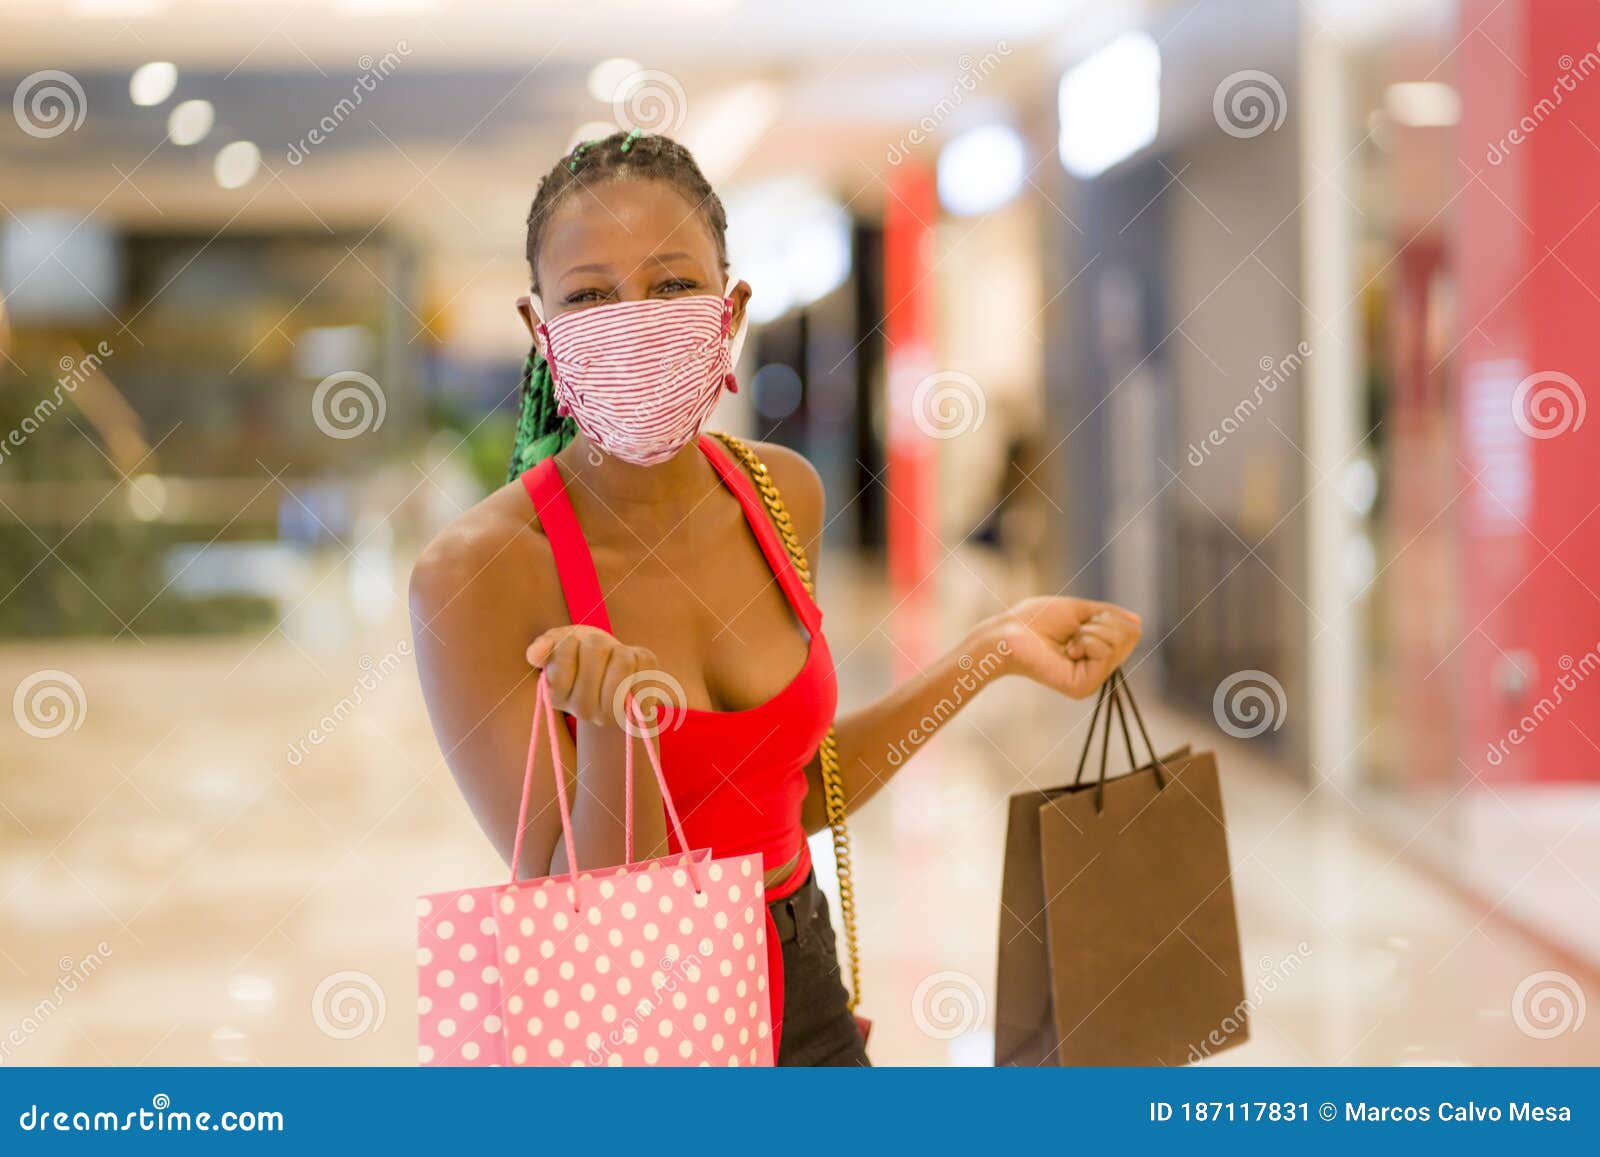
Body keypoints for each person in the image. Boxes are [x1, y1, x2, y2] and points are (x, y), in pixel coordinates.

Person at [408, 129, 1142, 1066]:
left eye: (672, 285)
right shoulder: (476, 570)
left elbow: (791, 791)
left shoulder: (779, 493)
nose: (634, 320)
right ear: (539, 330)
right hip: (638, 1027)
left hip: (808, 994)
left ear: (732, 308)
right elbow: (580, 908)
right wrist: (613, 732)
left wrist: (992, 648)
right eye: (591, 296)